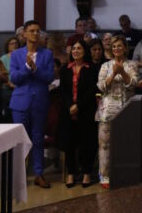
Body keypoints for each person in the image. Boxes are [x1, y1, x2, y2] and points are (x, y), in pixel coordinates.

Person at [9, 19, 55, 189]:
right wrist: (27, 69)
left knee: (37, 139)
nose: (36, 34)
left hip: (40, 101)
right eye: (32, 31)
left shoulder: (47, 54)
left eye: (38, 31)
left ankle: (38, 173)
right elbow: (14, 78)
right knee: (20, 140)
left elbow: (49, 77)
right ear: (25, 34)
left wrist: (35, 69)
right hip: (20, 101)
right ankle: (18, 175)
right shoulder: (16, 54)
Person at [96, 35, 138, 188]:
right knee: (105, 145)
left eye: (120, 46)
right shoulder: (105, 66)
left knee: (126, 143)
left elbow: (134, 84)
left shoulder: (132, 65)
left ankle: (126, 173)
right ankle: (105, 175)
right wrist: (114, 73)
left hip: (127, 109)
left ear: (125, 48)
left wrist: (123, 72)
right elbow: (101, 87)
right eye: (114, 47)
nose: (116, 49)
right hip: (108, 110)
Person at [57, 40, 98, 188]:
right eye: (73, 48)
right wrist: (70, 106)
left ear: (85, 51)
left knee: (86, 143)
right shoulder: (65, 69)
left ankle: (87, 173)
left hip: (86, 110)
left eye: (79, 48)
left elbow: (92, 90)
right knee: (70, 143)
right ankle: (71, 173)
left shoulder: (92, 69)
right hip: (68, 111)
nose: (75, 51)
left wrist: (78, 106)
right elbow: (63, 91)